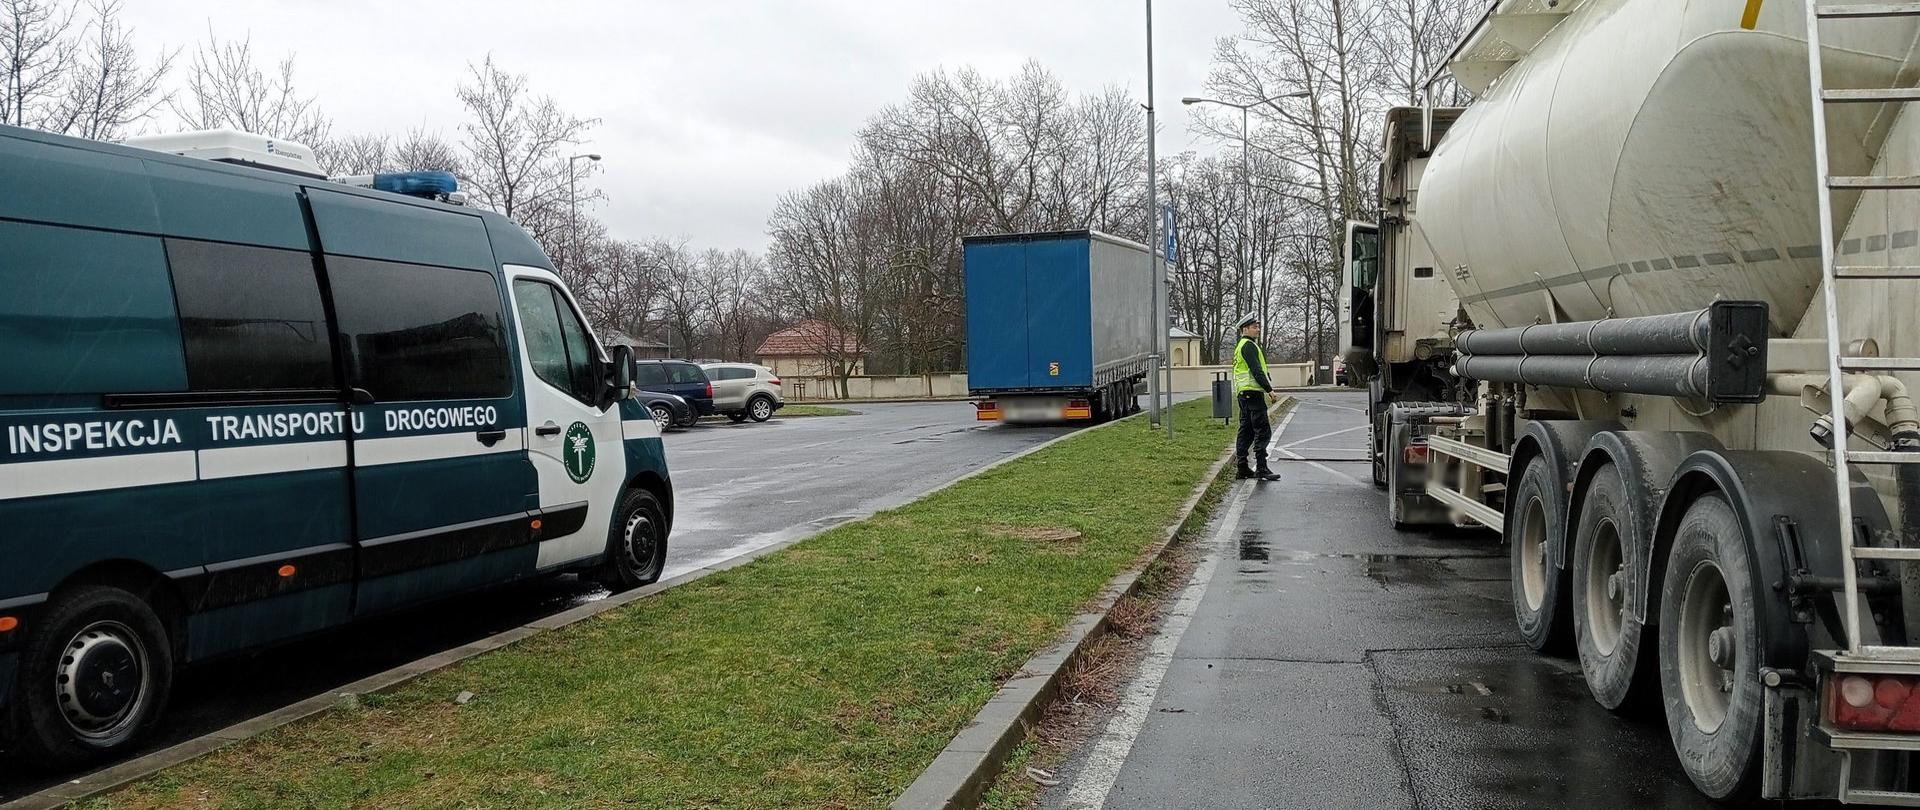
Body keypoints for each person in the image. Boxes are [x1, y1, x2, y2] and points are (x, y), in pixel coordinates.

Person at [1232, 313, 1282, 481]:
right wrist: (1269, 390)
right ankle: (1261, 467)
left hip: (1243, 394)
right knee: (1263, 431)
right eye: (1254, 327)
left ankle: (1242, 468)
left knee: (1246, 431)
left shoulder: (1241, 346)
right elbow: (1256, 370)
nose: (1258, 329)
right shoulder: (1249, 346)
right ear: (1244, 329)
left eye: (1258, 326)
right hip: (1253, 394)